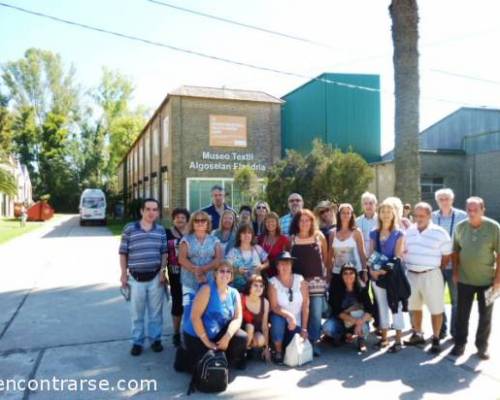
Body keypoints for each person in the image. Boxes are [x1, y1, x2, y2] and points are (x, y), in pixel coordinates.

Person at [451, 197, 500, 360]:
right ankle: (459, 344)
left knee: (486, 316)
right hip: (465, 281)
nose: (471, 213)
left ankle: (482, 347)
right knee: (462, 314)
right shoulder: (460, 227)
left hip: (488, 282)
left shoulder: (494, 228)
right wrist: (455, 273)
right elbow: (455, 252)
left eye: (475, 210)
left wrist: (498, 280)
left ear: (482, 210)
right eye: (469, 210)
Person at [119, 198, 168, 356]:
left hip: (155, 277)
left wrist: (162, 271)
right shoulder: (129, 229)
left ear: (158, 212)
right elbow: (123, 253)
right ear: (142, 211)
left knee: (156, 313)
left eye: (154, 209)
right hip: (135, 278)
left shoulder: (160, 230)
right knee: (136, 313)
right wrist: (123, 274)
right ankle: (137, 342)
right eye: (148, 209)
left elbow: (164, 253)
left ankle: (155, 340)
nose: (151, 212)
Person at [403, 202, 452, 354]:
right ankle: (418, 334)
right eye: (416, 216)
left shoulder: (440, 232)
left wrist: (434, 268)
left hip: (431, 274)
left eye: (422, 216)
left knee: (436, 308)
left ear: (430, 216)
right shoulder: (409, 231)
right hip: (411, 274)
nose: (418, 219)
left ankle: (436, 338)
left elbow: (446, 256)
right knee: (414, 306)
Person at [182, 260, 248, 371]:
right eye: (222, 271)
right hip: (197, 334)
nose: (225, 274)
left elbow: (237, 318)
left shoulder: (234, 292)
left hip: (217, 332)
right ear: (215, 274)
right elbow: (195, 317)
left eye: (229, 272)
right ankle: (185, 354)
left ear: (232, 277)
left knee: (242, 337)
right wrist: (207, 342)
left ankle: (227, 362)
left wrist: (227, 337)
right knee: (200, 366)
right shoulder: (206, 290)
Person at [290, 209, 329, 356]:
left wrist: (326, 277)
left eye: (308, 220)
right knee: (301, 312)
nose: (305, 223)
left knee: (316, 313)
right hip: (298, 283)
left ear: (312, 222)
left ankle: (314, 342)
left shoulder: (319, 236)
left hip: (317, 282)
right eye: (302, 220)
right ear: (297, 223)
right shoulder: (292, 239)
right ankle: (301, 342)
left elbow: (325, 258)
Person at [368, 201, 406, 353]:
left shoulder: (399, 233)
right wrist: (372, 271)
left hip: (394, 275)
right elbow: (371, 253)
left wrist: (383, 270)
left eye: (389, 211)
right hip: (377, 275)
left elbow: (397, 256)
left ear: (393, 214)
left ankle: (398, 338)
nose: (385, 214)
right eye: (383, 211)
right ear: (379, 214)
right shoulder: (373, 232)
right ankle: (384, 337)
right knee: (381, 306)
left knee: (396, 306)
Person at [432, 188, 467, 340]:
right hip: (436, 265)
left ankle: (456, 332)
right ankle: (441, 330)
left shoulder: (462, 216)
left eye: (447, 198)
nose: (444, 201)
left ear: (452, 200)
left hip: (456, 265)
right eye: (441, 199)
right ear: (437, 201)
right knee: (437, 300)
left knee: (456, 301)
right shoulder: (432, 217)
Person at [178, 211, 222, 327]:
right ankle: (188, 341)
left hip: (209, 283)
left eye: (203, 221)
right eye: (197, 221)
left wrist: (203, 269)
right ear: (192, 223)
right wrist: (196, 271)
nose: (200, 223)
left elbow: (218, 259)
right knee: (189, 312)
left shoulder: (214, 240)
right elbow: (182, 259)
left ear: (208, 224)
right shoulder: (186, 240)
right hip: (189, 283)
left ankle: (204, 339)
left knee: (207, 311)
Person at [268, 251, 309, 364]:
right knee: (276, 318)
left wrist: (304, 328)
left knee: (295, 346)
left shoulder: (300, 279)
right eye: (281, 263)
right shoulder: (272, 283)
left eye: (287, 263)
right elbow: (274, 307)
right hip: (282, 323)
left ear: (291, 265)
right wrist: (289, 316)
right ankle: (278, 351)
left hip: (297, 325)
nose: (284, 266)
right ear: (277, 266)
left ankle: (287, 348)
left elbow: (305, 305)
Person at [323, 263, 374, 352]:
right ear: (341, 276)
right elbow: (336, 311)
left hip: (358, 319)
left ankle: (361, 340)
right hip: (341, 320)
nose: (348, 275)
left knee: (364, 327)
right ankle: (343, 336)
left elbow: (370, 310)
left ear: (355, 275)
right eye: (345, 273)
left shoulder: (362, 289)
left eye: (351, 273)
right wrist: (355, 320)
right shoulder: (336, 290)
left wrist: (359, 322)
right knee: (327, 327)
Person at [330, 203, 367, 296]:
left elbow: (362, 253)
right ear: (339, 215)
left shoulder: (357, 232)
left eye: (348, 213)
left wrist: (365, 271)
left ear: (351, 215)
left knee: (357, 299)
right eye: (343, 213)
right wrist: (328, 273)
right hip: (337, 272)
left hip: (354, 272)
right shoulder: (332, 233)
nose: (346, 215)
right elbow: (330, 255)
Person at [166, 207, 190, 347]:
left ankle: (188, 332)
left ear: (187, 219)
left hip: (189, 273)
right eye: (177, 217)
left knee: (189, 302)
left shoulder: (191, 233)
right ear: (173, 219)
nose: (180, 220)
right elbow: (163, 252)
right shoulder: (167, 233)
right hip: (174, 273)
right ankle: (176, 333)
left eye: (182, 217)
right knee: (177, 302)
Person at [356, 192, 380, 331]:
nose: (368, 206)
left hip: (377, 261)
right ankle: (363, 322)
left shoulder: (380, 220)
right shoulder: (358, 221)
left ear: (375, 205)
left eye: (371, 203)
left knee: (378, 295)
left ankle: (379, 323)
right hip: (361, 262)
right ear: (362, 205)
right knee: (363, 293)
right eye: (366, 203)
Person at [226, 223, 269, 292]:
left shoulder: (257, 248)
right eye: (243, 233)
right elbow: (226, 267)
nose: (246, 235)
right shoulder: (233, 251)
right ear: (239, 236)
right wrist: (237, 270)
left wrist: (261, 266)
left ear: (252, 235)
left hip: (257, 289)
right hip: (238, 290)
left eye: (249, 233)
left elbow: (267, 262)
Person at [241, 274, 271, 362]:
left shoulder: (265, 302)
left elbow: (265, 327)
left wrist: (266, 348)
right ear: (249, 286)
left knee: (261, 339)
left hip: (255, 332)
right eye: (255, 285)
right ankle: (241, 354)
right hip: (241, 331)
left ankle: (248, 350)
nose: (259, 288)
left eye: (261, 286)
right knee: (250, 327)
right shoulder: (241, 297)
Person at [258, 212, 290, 278]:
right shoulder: (260, 238)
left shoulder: (284, 240)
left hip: (277, 275)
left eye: (272, 221)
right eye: (267, 221)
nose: (270, 224)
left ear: (277, 223)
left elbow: (286, 260)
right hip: (261, 274)